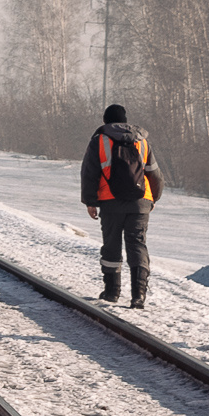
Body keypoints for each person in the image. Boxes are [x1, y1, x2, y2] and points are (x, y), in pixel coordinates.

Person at [79, 103, 164, 308]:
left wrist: (91, 202)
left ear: (105, 121)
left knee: (112, 246)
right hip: (140, 202)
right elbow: (154, 173)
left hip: (110, 202)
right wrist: (153, 199)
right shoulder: (142, 141)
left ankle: (112, 292)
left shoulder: (100, 140)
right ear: (125, 121)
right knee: (137, 244)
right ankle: (138, 295)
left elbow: (90, 173)